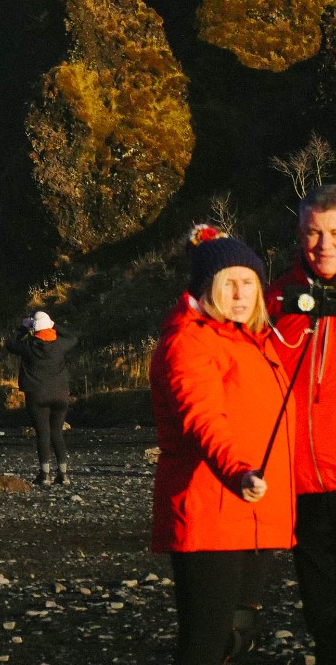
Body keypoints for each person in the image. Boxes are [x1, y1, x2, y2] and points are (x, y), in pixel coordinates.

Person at [154, 226, 295, 664]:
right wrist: (238, 471)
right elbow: (203, 418)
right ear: (206, 287)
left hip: (252, 511)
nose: (240, 293)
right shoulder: (190, 342)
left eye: (248, 282)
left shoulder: (250, 340)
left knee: (239, 636)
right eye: (228, 283)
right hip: (213, 509)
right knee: (205, 642)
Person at [270, 183, 336, 664]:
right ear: (299, 232)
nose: (324, 246)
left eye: (334, 233)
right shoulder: (275, 299)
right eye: (314, 233)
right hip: (302, 480)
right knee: (321, 609)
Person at [6, 310, 77, 485]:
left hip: (36, 394)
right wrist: (54, 325)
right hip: (60, 394)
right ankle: (64, 474)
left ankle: (45, 474)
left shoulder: (29, 346)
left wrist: (23, 328)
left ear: (34, 328)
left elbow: (10, 344)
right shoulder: (60, 344)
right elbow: (74, 338)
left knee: (43, 434)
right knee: (57, 433)